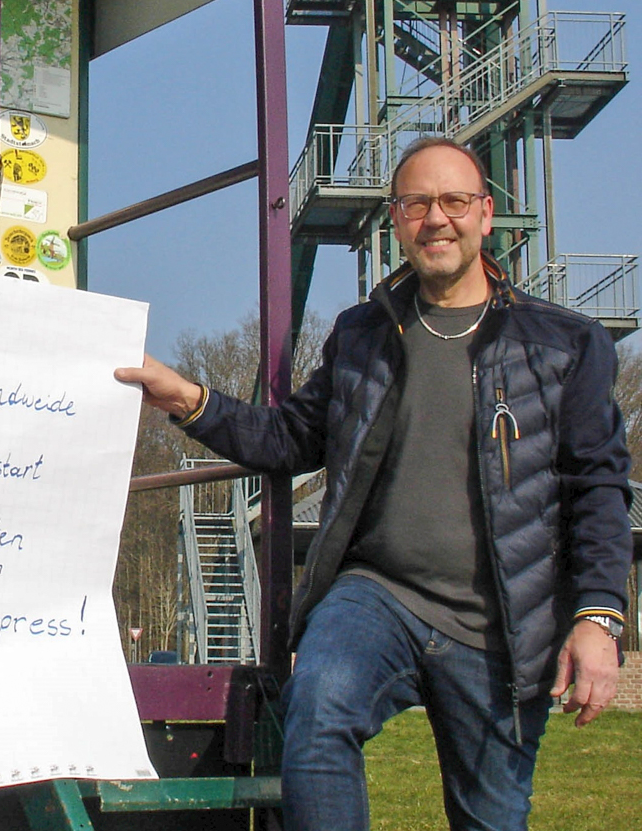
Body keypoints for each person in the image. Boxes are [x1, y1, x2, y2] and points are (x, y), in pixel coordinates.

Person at [116, 137, 632, 831]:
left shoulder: (564, 345)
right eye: (417, 204)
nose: (436, 220)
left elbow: (597, 485)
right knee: (319, 706)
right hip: (377, 595)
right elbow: (290, 438)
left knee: (493, 819)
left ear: (485, 215)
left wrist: (599, 617)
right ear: (396, 219)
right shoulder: (362, 334)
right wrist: (185, 396)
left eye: (453, 202)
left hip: (502, 624)